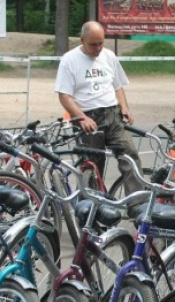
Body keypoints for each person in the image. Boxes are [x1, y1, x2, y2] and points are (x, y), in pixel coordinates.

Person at [55, 21, 143, 194]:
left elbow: (118, 86)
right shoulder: (69, 60)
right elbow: (64, 95)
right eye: (93, 44)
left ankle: (137, 207)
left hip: (113, 114)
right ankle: (92, 212)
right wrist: (82, 118)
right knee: (93, 166)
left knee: (130, 155)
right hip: (88, 117)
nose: (98, 48)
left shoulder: (109, 56)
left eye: (101, 43)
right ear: (82, 40)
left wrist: (124, 107)